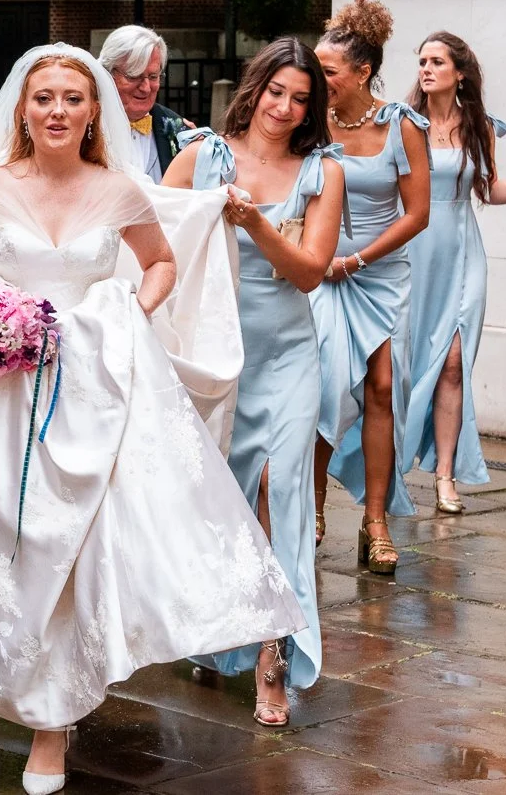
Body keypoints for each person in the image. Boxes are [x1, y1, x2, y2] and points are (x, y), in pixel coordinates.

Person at [0, 44, 304, 793]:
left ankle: (51, 721)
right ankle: (20, 676)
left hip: (95, 389)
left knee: (77, 543)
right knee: (11, 536)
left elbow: (161, 262)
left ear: (93, 110)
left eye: (73, 98)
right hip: (4, 394)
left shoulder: (118, 189)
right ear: (23, 109)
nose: (58, 111)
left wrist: (130, 311)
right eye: (44, 98)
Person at [165, 37, 345, 727]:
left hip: (289, 351)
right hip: (215, 353)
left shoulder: (322, 172)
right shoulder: (203, 157)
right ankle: (220, 633)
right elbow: (150, 234)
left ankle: (275, 656)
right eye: (276, 92)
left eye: (301, 98)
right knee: (223, 496)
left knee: (280, 490)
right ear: (256, 87)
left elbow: (309, 271)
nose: (285, 107)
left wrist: (254, 224)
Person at [403, 32, 506, 512]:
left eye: (437, 62)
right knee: (406, 366)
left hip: (462, 254)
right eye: (422, 61)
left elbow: (488, 189)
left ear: (460, 73)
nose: (426, 69)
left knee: (454, 364)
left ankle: (445, 475)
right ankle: (388, 468)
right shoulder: (404, 124)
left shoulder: (479, 125)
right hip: (413, 253)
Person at [308, 0, 430, 576]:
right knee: (325, 386)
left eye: (327, 71)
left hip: (378, 275)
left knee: (382, 388)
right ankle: (312, 507)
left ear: (362, 72)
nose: (317, 80)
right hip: (318, 272)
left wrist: (356, 260)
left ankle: (375, 520)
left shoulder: (401, 126)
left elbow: (418, 214)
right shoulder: (308, 120)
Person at [99, 24, 190, 181]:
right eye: (134, 76)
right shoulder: (85, 126)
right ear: (107, 74)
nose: (146, 88)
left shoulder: (178, 129)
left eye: (153, 77)